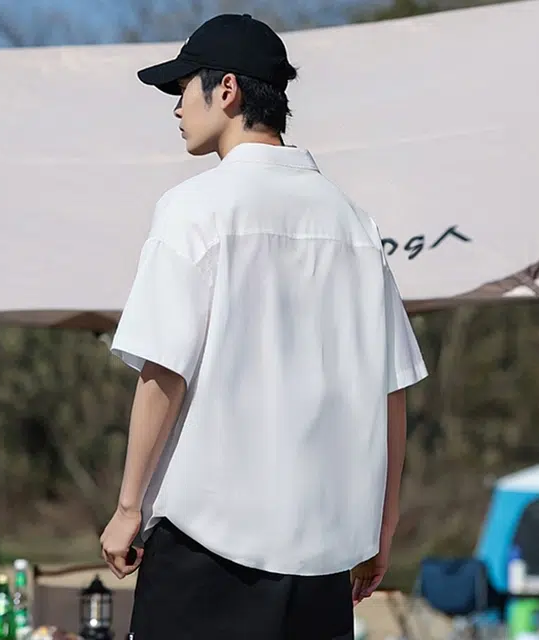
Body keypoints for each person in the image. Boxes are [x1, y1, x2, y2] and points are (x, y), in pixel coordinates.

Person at [99, 13, 428, 640]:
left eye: (182, 88)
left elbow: (164, 369)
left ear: (226, 90)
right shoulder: (353, 223)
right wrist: (381, 532)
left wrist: (127, 507)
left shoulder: (194, 209)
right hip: (323, 559)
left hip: (205, 549)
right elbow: (391, 391)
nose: (176, 107)